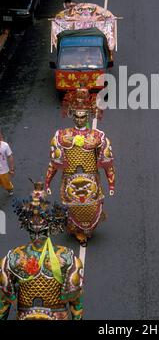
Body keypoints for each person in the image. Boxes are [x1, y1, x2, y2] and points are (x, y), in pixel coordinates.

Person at [0, 181, 83, 320]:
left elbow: (4, 305)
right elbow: (76, 305)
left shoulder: (13, 258)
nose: (37, 222)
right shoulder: (68, 258)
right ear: (51, 225)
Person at [45, 87, 116, 246]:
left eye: (82, 117)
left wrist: (111, 183)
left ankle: (87, 229)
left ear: (88, 116)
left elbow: (107, 163)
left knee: (91, 206)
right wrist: (47, 181)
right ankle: (77, 231)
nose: (79, 120)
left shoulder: (98, 137)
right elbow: (54, 162)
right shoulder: (61, 136)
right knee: (74, 207)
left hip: (91, 176)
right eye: (76, 116)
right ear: (71, 115)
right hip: (70, 178)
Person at [0, 130, 14, 196]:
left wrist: (11, 169)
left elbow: (10, 156)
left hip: (3, 170)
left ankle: (9, 188)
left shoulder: (5, 145)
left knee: (6, 183)